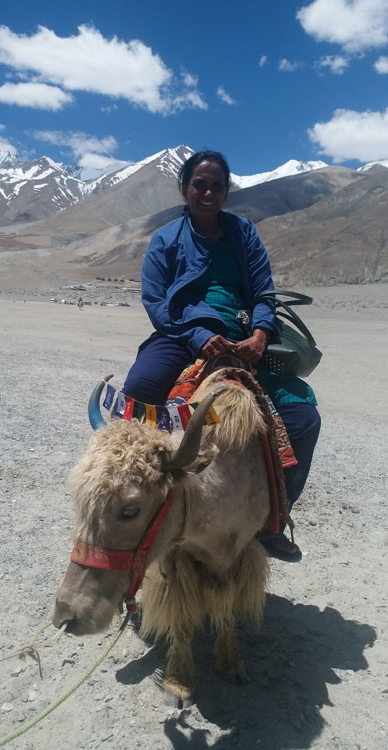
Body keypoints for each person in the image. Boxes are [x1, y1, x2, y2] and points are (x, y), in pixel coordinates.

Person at [123, 150, 320, 562]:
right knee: (139, 388)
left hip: (243, 337)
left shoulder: (243, 233)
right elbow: (156, 301)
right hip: (182, 334)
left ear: (227, 192)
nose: (208, 192)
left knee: (303, 418)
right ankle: (131, 499)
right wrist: (196, 335)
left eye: (216, 185)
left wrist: (261, 333)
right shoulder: (166, 239)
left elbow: (264, 292)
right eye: (200, 184)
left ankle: (272, 521)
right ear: (185, 190)